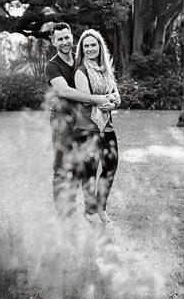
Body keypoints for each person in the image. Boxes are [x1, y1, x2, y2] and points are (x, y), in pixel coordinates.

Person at [43, 22, 118, 218]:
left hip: (82, 120)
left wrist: (113, 99)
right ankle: (64, 215)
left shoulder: (80, 60)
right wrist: (99, 99)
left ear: (72, 37)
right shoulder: (52, 66)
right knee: (62, 167)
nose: (64, 42)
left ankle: (87, 211)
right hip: (62, 120)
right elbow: (66, 91)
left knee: (81, 167)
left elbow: (105, 79)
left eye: (67, 37)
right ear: (53, 41)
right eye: (60, 39)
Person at [73, 29, 121, 224]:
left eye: (93, 44)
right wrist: (111, 99)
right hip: (87, 127)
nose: (90, 48)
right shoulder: (80, 71)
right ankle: (90, 211)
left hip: (106, 126)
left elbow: (116, 96)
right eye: (86, 46)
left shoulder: (105, 70)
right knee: (90, 171)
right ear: (82, 49)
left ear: (100, 47)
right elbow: (87, 99)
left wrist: (114, 104)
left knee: (111, 166)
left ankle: (101, 207)